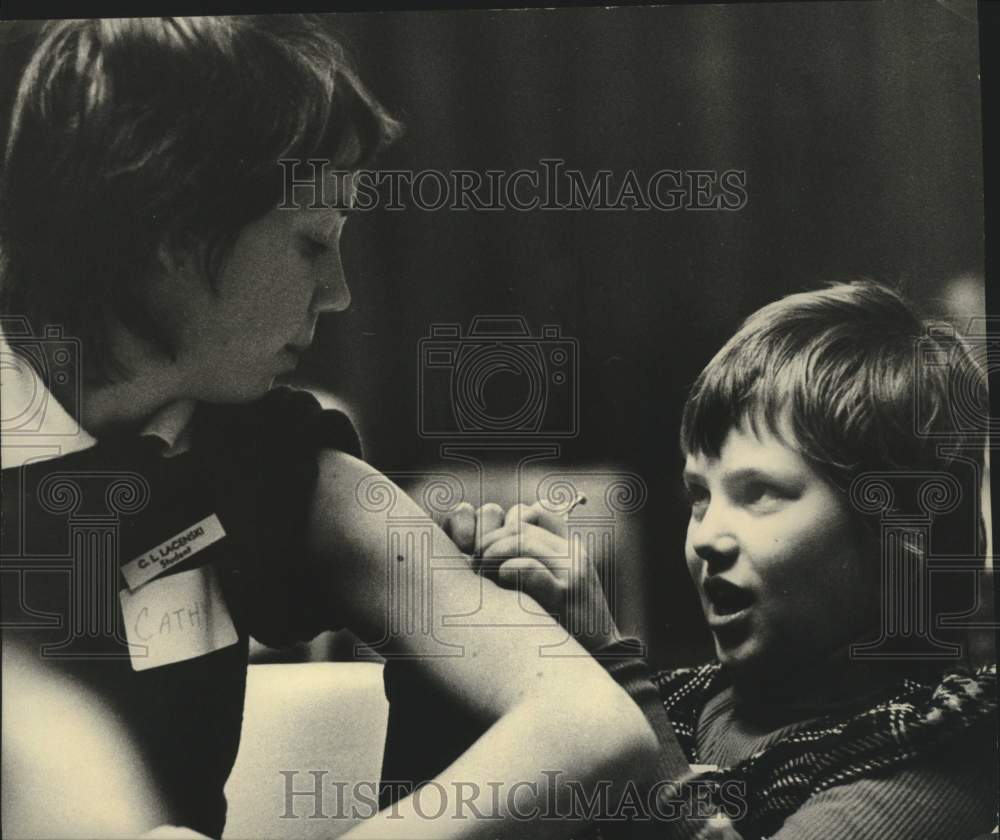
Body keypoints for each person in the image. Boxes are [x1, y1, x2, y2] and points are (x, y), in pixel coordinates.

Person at [0, 15, 660, 839]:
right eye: (312, 241)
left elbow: (591, 726)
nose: (339, 291)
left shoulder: (269, 457)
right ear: (174, 231)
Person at [432, 281, 998, 839]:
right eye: (700, 497)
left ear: (899, 534)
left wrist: (609, 665)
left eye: (760, 493)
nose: (707, 536)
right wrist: (454, 640)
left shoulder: (938, 752)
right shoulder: (682, 705)